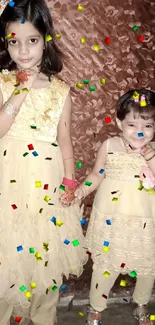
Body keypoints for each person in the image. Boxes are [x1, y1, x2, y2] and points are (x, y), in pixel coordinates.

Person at [0, 0, 87, 324]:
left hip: (46, 183)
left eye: (32, 40)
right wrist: (18, 92)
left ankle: (43, 317)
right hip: (8, 183)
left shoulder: (61, 90)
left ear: (45, 39)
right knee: (8, 256)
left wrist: (69, 179)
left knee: (44, 256)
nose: (23, 51)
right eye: (14, 41)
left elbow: (64, 138)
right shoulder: (3, 82)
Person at [74, 89, 155, 325]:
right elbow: (97, 174)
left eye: (148, 125)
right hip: (112, 217)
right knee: (105, 264)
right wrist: (80, 191)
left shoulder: (153, 151)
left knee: (148, 265)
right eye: (131, 124)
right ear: (120, 122)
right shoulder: (110, 145)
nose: (139, 132)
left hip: (145, 220)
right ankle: (97, 305)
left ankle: (141, 303)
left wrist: (148, 155)